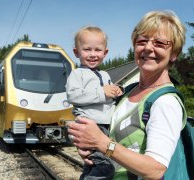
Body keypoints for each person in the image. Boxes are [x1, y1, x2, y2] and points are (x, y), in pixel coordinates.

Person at [67, 10, 187, 179]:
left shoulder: (165, 102)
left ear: (174, 53)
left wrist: (101, 143)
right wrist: (88, 145)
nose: (148, 48)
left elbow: (155, 169)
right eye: (142, 41)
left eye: (160, 43)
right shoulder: (128, 92)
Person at [66, 26, 123, 179]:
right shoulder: (77, 74)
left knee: (92, 164)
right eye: (87, 50)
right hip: (91, 125)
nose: (92, 54)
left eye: (97, 50)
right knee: (107, 166)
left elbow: (108, 97)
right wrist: (102, 92)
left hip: (105, 126)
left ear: (105, 53)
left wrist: (116, 91)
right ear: (76, 52)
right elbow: (74, 96)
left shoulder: (105, 74)